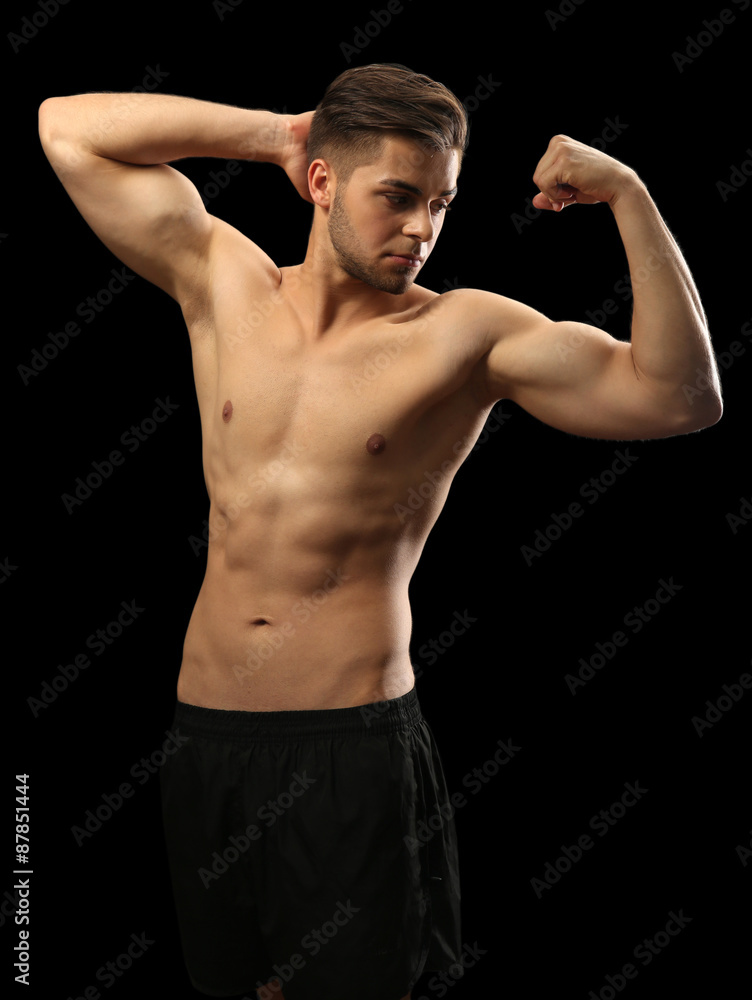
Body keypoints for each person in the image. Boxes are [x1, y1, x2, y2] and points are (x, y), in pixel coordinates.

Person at [38, 63, 722, 1000]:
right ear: (322, 183)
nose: (422, 229)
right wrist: (279, 134)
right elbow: (67, 127)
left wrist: (630, 195)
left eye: (440, 204)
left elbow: (679, 398)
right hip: (207, 737)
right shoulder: (224, 283)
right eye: (397, 197)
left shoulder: (463, 334)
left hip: (347, 750)